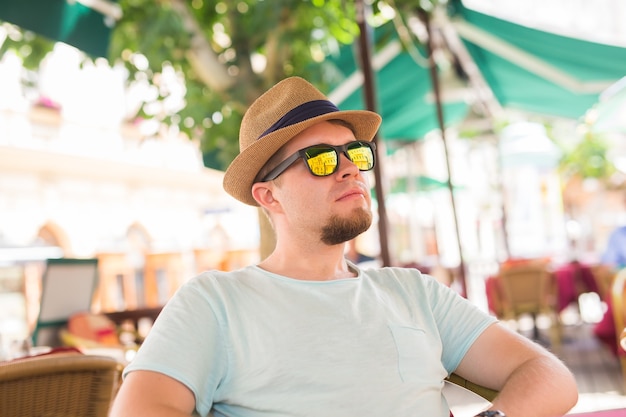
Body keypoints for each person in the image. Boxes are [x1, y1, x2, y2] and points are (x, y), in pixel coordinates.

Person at [110, 77, 578, 417]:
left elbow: (550, 376)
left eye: (355, 153)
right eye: (318, 159)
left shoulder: (413, 292)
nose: (350, 169)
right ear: (268, 196)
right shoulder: (214, 302)